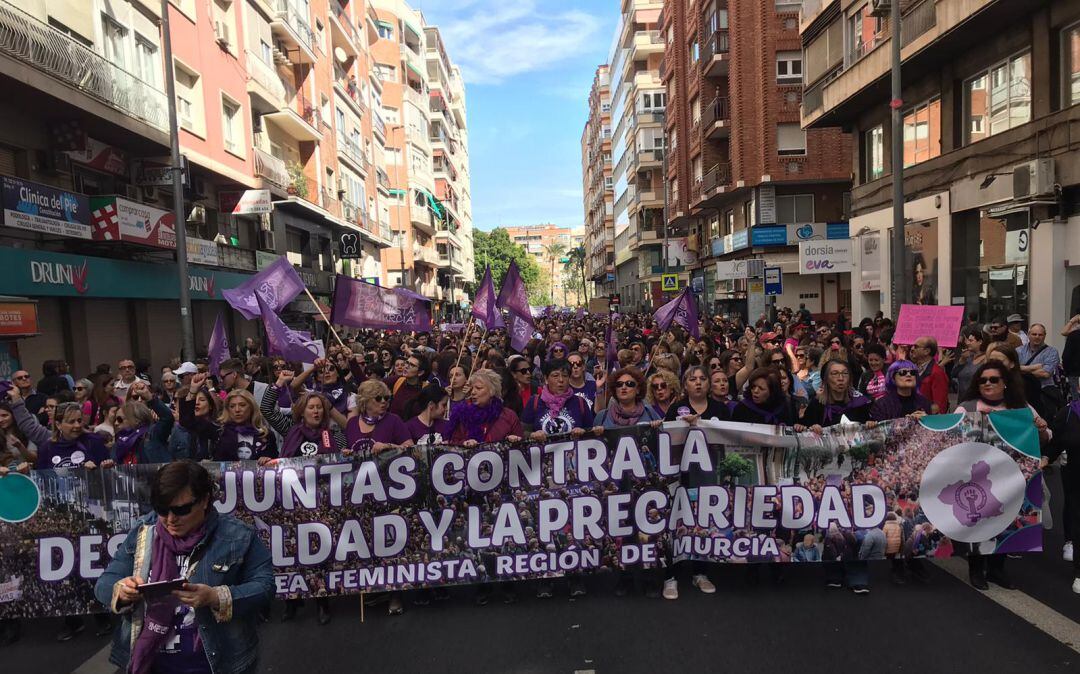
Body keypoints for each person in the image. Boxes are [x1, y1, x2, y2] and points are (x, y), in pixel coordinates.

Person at [95, 460, 274, 674]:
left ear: (205, 500)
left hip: (219, 663)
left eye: (182, 510)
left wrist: (216, 597)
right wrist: (121, 590)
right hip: (150, 663)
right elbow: (104, 585)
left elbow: (265, 586)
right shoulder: (143, 532)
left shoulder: (237, 535)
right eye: (162, 509)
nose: (171, 519)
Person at [955, 362, 1050, 590]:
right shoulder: (966, 407)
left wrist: (1040, 428)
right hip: (977, 476)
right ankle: (976, 568)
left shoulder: (1021, 408)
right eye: (983, 380)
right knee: (978, 522)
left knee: (1006, 519)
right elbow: (952, 437)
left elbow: (1044, 438)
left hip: (1010, 477)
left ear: (1005, 383)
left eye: (994, 379)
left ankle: (997, 569)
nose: (988, 383)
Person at [180, 375, 277, 463]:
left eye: (242, 405)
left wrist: (268, 459)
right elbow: (187, 421)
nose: (237, 410)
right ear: (228, 409)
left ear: (251, 408)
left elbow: (275, 461)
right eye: (232, 406)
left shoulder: (265, 435)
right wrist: (193, 391)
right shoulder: (219, 431)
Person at [1048, 395, 1080, 590]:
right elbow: (1055, 443)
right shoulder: (1068, 414)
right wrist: (1044, 458)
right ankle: (1079, 571)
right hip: (1076, 478)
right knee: (1078, 521)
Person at [521, 359, 595, 441]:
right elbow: (522, 432)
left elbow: (591, 433)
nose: (561, 380)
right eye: (555, 376)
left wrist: (583, 432)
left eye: (565, 376)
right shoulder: (534, 401)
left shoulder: (580, 402)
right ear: (546, 379)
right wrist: (532, 435)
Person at [345, 380, 413, 459]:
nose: (383, 401)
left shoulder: (393, 420)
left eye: (386, 398)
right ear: (365, 401)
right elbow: (349, 450)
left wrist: (389, 446)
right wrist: (347, 453)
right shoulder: (352, 423)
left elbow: (411, 448)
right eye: (378, 398)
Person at [113, 381, 176, 465]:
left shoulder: (152, 433)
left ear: (136, 420)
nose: (116, 423)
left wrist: (149, 397)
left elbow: (167, 418)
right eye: (135, 397)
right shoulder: (120, 440)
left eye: (120, 420)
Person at [799, 360, 872, 430]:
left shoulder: (859, 403)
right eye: (835, 373)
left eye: (845, 373)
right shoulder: (817, 405)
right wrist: (813, 428)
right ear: (826, 379)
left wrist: (870, 424)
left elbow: (868, 425)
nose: (841, 378)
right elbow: (804, 428)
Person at [1018, 323, 1062, 419]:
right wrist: (1033, 367)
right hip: (1022, 393)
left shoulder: (1052, 351)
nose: (1037, 337)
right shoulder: (1018, 351)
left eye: (1040, 335)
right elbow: (1011, 370)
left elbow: (1045, 373)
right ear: (1028, 335)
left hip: (1043, 393)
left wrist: (1021, 369)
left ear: (1044, 336)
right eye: (1034, 334)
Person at [910, 336, 948, 414]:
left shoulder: (937, 373)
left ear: (926, 351)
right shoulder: (912, 369)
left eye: (916, 347)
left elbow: (940, 405)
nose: (912, 349)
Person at [951, 325, 989, 399]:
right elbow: (953, 375)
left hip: (978, 401)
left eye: (971, 341)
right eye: (968, 340)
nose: (967, 343)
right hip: (962, 401)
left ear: (980, 342)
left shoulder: (986, 359)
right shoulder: (967, 358)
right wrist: (962, 360)